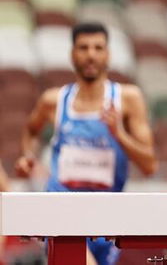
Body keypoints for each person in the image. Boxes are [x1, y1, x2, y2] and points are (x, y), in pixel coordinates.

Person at [14, 22, 158, 265]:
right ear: (72, 54)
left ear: (108, 54)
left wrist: (118, 133)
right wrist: (29, 155)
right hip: (61, 211)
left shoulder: (127, 99)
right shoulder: (54, 100)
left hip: (107, 218)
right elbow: (30, 131)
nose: (90, 54)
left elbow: (149, 165)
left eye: (98, 48)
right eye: (83, 48)